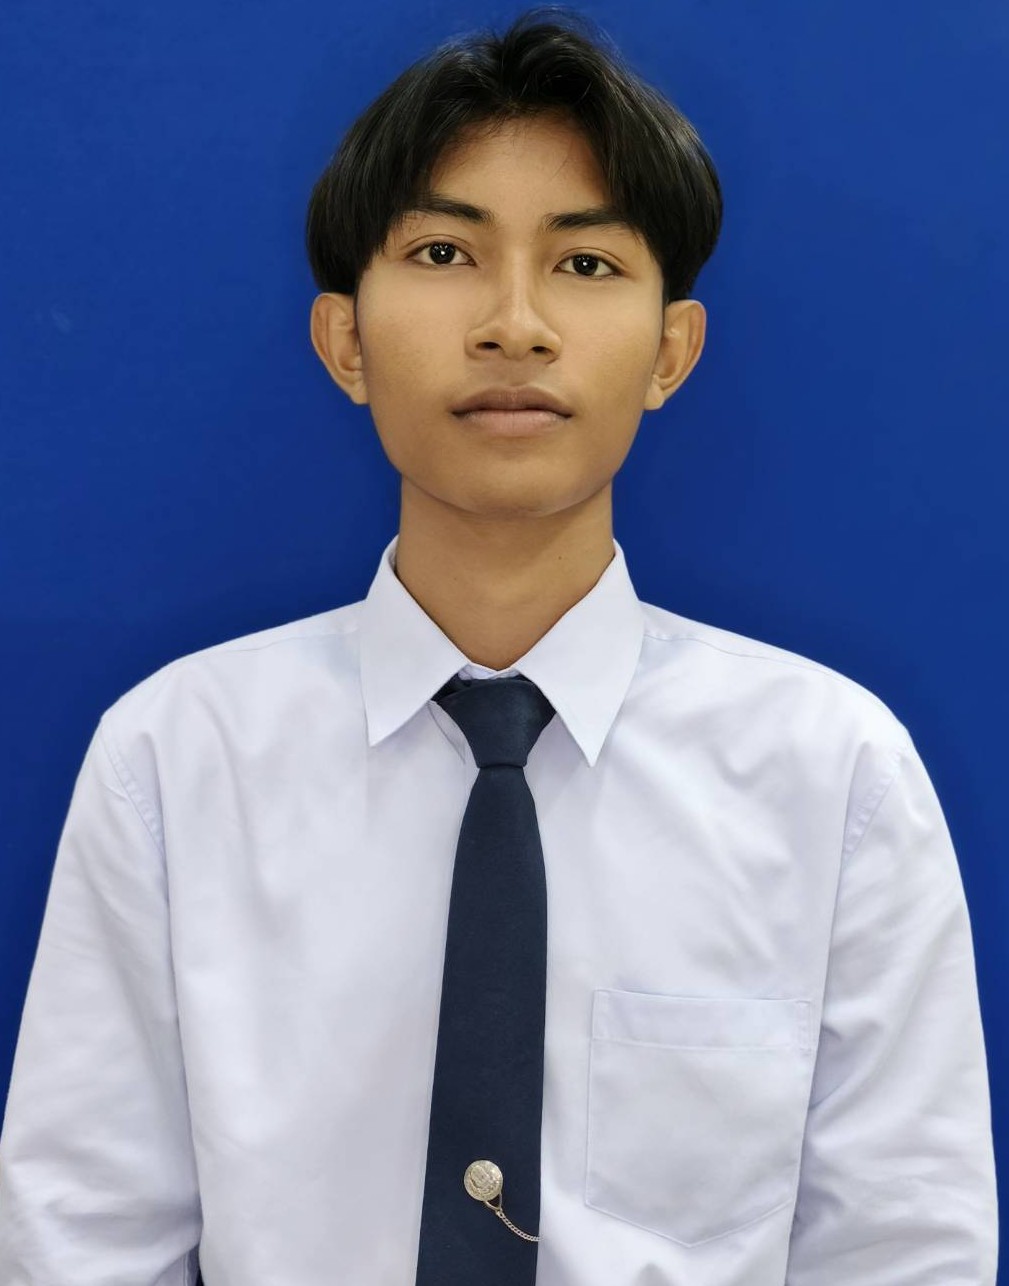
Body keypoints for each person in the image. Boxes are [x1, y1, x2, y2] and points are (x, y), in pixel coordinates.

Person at [0, 7, 997, 1284]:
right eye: (442, 252)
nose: (514, 325)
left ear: (671, 352)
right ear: (345, 342)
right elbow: (81, 1240)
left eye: (584, 263)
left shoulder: (832, 772)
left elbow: (902, 1250)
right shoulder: (175, 760)